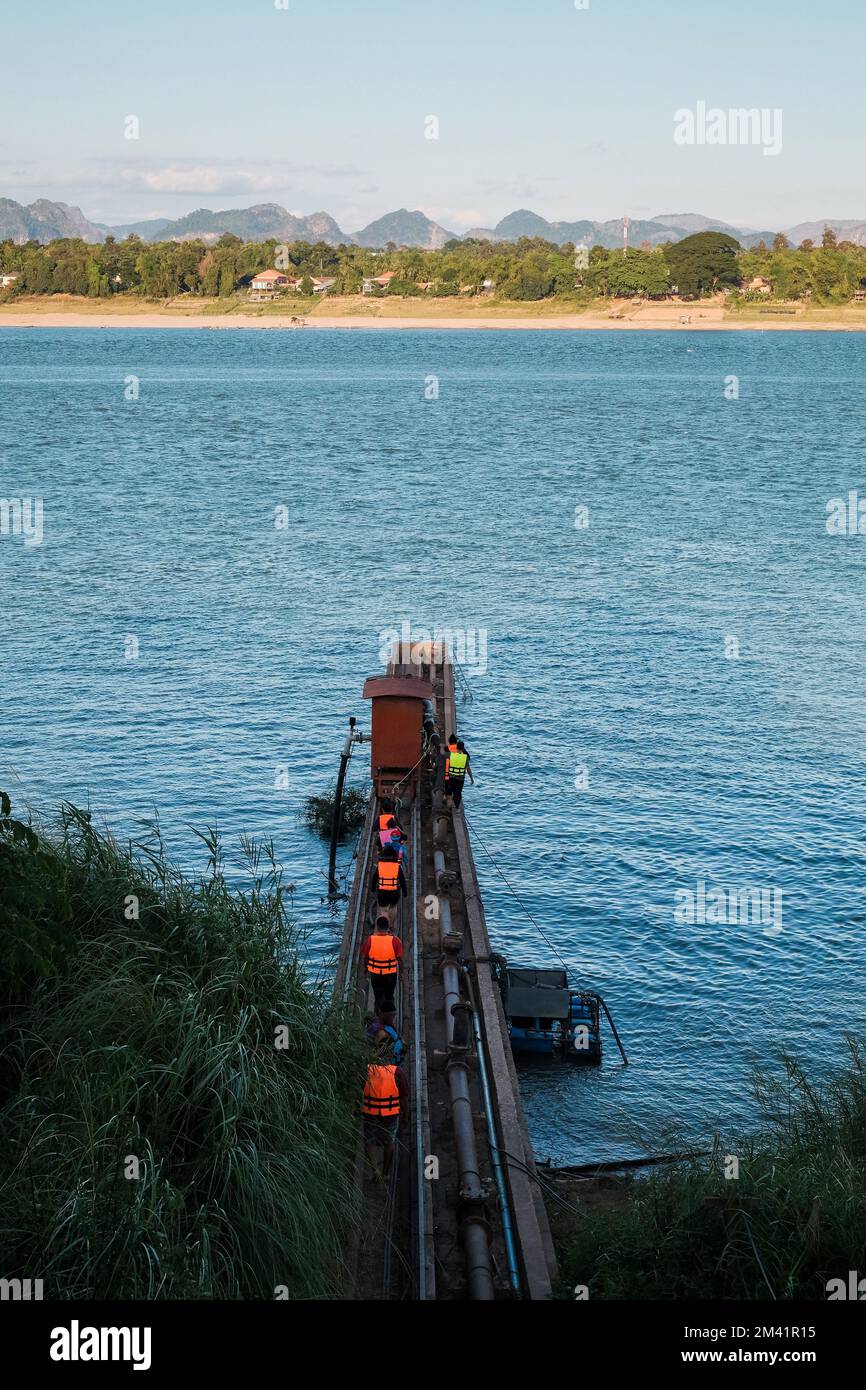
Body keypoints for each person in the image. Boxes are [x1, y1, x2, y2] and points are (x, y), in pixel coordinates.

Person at [362, 1045, 408, 1179]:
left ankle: (375, 1169)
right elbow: (404, 1099)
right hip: (390, 1115)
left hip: (370, 1113)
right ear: (390, 1058)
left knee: (369, 1141)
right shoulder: (397, 1072)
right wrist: (405, 1116)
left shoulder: (368, 1070)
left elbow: (360, 1089)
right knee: (389, 1142)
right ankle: (385, 1172)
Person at [360, 915, 404, 1013]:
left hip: (375, 973)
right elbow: (400, 959)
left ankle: (378, 1016)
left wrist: (365, 969)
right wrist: (401, 973)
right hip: (390, 974)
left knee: (378, 995)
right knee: (389, 995)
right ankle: (389, 1016)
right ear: (388, 926)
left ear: (377, 927)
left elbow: (365, 957)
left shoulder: (370, 940)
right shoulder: (395, 940)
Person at [374, 842, 407, 925]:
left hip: (382, 892)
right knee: (393, 907)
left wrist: (372, 888)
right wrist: (405, 892)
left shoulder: (380, 865)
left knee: (384, 910)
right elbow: (402, 880)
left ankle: (386, 926)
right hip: (394, 891)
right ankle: (391, 924)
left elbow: (375, 878)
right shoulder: (397, 866)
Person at [445, 739, 473, 811]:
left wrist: (442, 747)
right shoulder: (465, 757)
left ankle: (449, 807)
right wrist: (471, 778)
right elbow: (468, 769)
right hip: (460, 779)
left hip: (451, 778)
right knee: (458, 793)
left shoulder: (451, 755)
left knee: (450, 792)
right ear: (463, 748)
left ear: (456, 747)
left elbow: (442, 753)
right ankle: (457, 808)